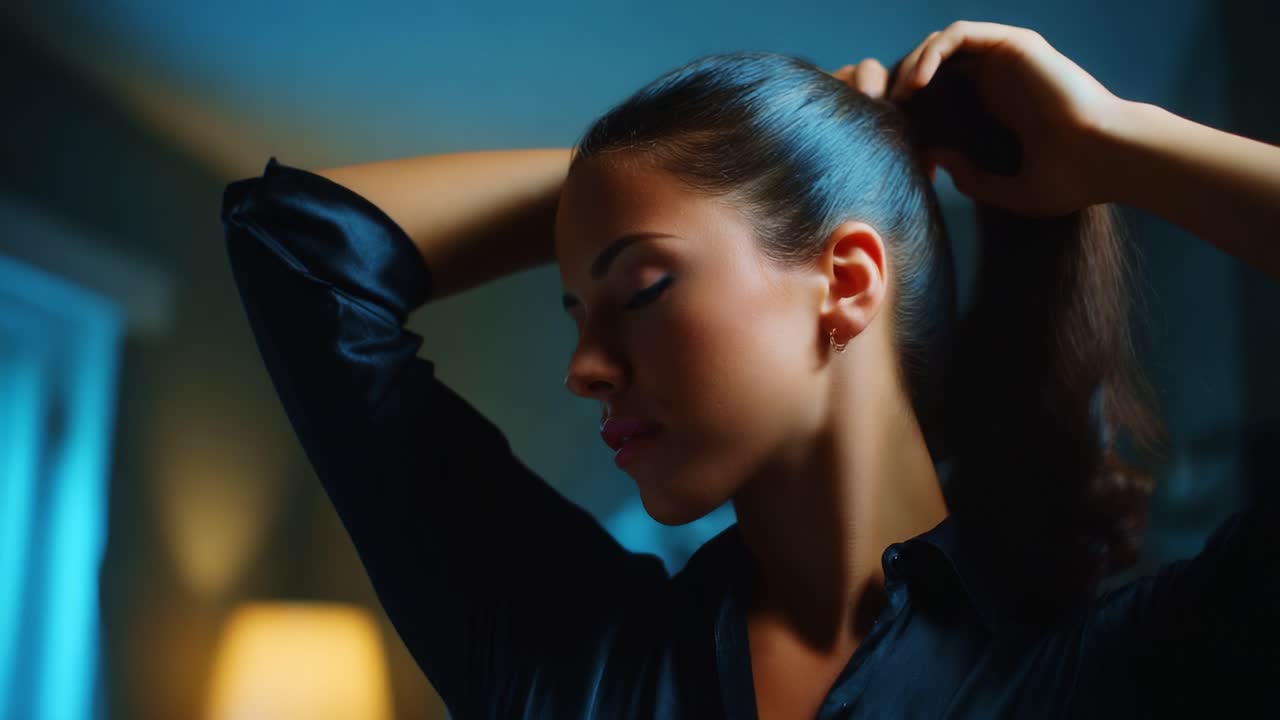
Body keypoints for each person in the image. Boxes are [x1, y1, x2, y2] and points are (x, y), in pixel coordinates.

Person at [220, 20, 1279, 719]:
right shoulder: (572, 659)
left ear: (846, 280)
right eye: (573, 312)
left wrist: (1116, 144)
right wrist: (702, 165)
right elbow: (296, 248)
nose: (583, 369)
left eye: (636, 289)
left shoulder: (1112, 676)